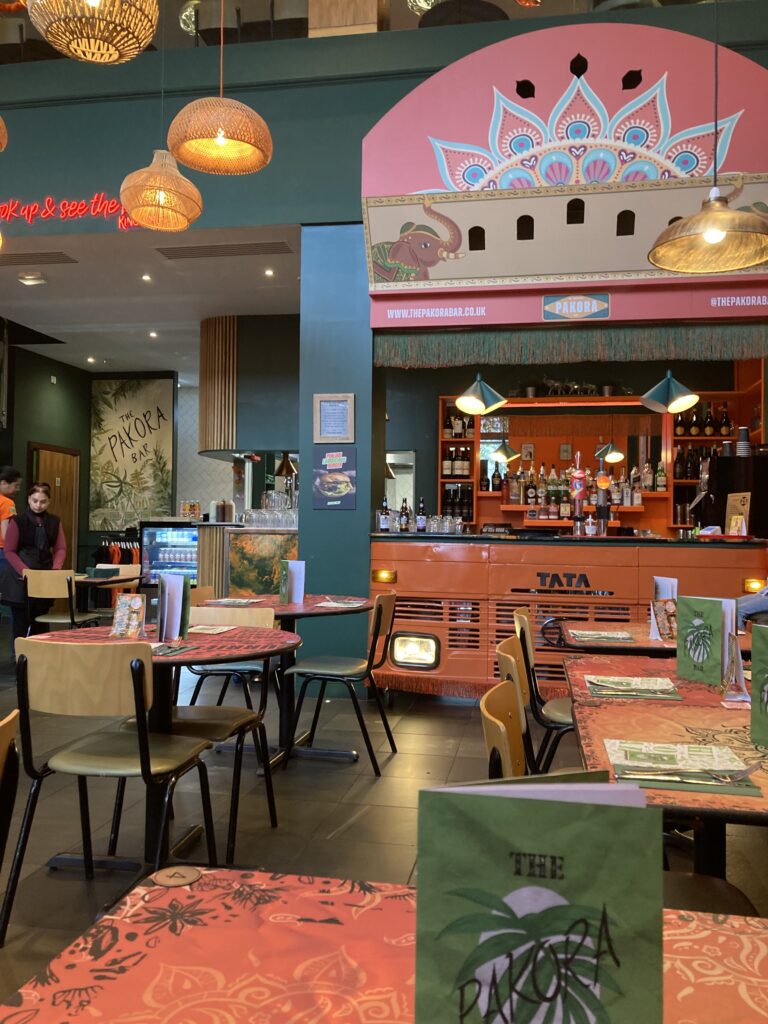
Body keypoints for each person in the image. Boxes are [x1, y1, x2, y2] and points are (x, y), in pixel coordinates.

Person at [0, 482, 66, 645]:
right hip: (19, 577)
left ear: (49, 502)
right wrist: (25, 570)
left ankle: (42, 658)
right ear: (29, 500)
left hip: (44, 576)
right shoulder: (18, 520)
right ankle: (21, 660)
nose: (38, 505)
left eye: (43, 501)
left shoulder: (54, 521)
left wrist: (56, 567)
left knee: (41, 622)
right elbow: (9, 551)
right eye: (35, 500)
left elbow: (60, 548)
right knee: (21, 624)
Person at [0, 466, 21, 564]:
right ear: (3, 483)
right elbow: (6, 533)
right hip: (3, 551)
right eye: (16, 486)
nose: (18, 489)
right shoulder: (8, 503)